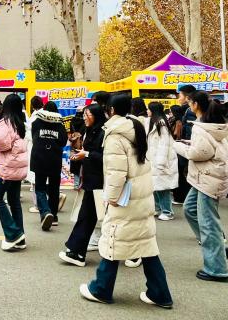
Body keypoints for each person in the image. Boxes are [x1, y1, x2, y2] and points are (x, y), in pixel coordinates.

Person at [79, 94, 173, 308]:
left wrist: (111, 198)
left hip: (125, 198)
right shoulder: (136, 128)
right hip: (142, 195)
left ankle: (101, 288)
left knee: (113, 240)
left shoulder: (114, 135)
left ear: (111, 110)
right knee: (146, 244)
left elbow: (116, 172)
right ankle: (160, 293)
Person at [173, 90, 228, 282]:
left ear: (195, 104)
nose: (184, 101)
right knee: (190, 209)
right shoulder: (213, 123)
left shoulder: (201, 126)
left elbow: (198, 153)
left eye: (187, 100)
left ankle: (216, 269)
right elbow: (206, 148)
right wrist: (188, 143)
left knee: (208, 222)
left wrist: (176, 146)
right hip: (207, 177)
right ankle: (219, 250)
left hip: (208, 178)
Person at [60, 102, 105, 266]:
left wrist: (85, 154)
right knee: (87, 216)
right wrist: (81, 154)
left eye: (88, 115)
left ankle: (77, 252)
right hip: (91, 180)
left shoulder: (103, 133)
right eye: (84, 114)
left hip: (100, 182)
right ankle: (77, 251)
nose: (85, 118)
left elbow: (106, 157)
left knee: (91, 217)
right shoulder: (90, 131)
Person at [0, 93, 29, 251]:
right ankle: (20, 238)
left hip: (7, 168)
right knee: (14, 202)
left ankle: (13, 234)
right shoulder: (20, 122)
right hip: (17, 169)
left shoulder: (6, 123)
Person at [31, 101, 67, 229]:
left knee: (40, 188)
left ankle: (45, 212)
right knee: (54, 188)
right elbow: (63, 141)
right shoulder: (59, 124)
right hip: (54, 159)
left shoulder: (37, 122)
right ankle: (54, 216)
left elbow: (33, 137)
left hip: (39, 158)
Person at [146, 101, 177, 221]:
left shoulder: (161, 124)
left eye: (149, 109)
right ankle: (159, 209)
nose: (147, 111)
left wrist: (160, 163)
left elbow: (164, 145)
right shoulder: (154, 122)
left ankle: (167, 211)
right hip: (154, 160)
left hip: (161, 161)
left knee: (162, 188)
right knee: (156, 187)